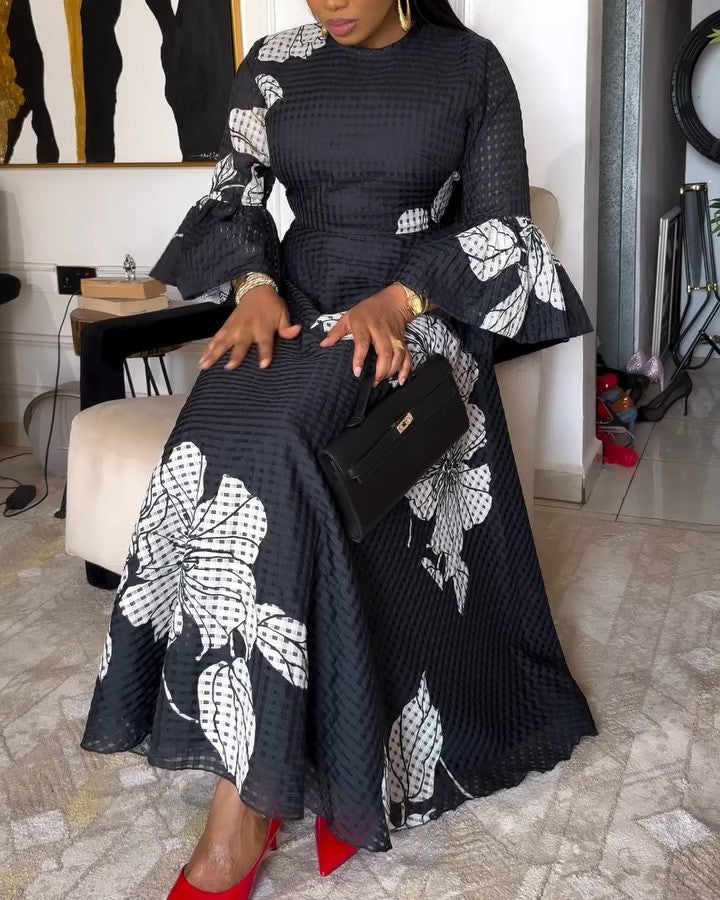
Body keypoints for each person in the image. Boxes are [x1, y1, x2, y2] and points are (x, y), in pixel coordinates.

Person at [81, 1, 598, 897]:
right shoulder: (273, 62)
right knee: (212, 434)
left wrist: (400, 300)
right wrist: (252, 283)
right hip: (293, 308)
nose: (331, 3)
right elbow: (234, 192)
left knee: (289, 448)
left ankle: (245, 805)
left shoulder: (470, 68)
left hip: (416, 320)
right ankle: (313, 742)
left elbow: (501, 228)